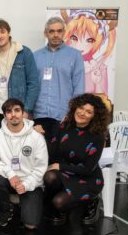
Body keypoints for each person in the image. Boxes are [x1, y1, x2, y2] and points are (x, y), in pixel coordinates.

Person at [44, 93, 108, 225]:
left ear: (94, 116)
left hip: (87, 178)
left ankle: (91, 201)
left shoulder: (98, 137)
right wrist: (41, 135)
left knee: (59, 202)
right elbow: (53, 152)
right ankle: (63, 201)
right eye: (81, 108)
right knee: (50, 177)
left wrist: (60, 167)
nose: (83, 113)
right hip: (66, 173)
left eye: (89, 112)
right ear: (75, 107)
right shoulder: (64, 126)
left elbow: (88, 169)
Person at [0, 98, 48, 229]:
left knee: (30, 225)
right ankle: (6, 208)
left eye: (17, 110)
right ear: (4, 115)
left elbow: (41, 167)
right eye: (9, 111)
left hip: (31, 182)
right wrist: (10, 174)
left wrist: (26, 184)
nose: (13, 114)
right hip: (9, 180)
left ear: (23, 112)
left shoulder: (36, 137)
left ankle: (24, 201)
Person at [33, 17, 85, 142]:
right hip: (39, 114)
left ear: (64, 32)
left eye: (59, 31)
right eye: (51, 31)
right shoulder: (35, 56)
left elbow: (79, 87)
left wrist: (72, 112)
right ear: (46, 33)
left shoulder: (75, 56)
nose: (55, 35)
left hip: (63, 115)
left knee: (60, 155)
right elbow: (32, 85)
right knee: (40, 155)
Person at [0, 19, 39, 135]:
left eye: (2, 32)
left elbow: (33, 83)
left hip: (16, 109)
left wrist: (27, 110)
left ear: (8, 33)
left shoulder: (23, 52)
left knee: (18, 145)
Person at [61, 9, 117, 95]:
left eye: (89, 40)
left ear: (99, 41)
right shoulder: (62, 63)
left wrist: (97, 82)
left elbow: (102, 100)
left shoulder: (99, 68)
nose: (80, 46)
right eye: (74, 38)